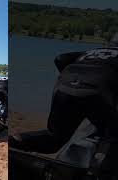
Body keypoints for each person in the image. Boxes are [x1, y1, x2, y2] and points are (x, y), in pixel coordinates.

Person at [10, 33, 118, 176]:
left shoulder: (93, 51)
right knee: (112, 136)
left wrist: (77, 83)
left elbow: (60, 59)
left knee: (55, 137)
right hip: (99, 91)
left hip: (65, 86)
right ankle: (99, 170)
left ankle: (14, 142)